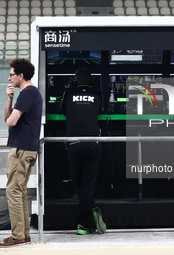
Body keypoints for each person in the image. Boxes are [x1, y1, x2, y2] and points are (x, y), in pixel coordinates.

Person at [0, 58, 43, 248]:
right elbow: (7, 117)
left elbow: (10, 122)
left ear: (20, 76)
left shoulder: (27, 93)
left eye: (11, 75)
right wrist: (9, 99)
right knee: (20, 192)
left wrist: (13, 102)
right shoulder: (30, 93)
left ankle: (18, 236)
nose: (9, 79)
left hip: (21, 150)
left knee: (13, 191)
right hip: (27, 148)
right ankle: (23, 234)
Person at [61, 67, 106, 235]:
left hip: (75, 144)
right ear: (91, 80)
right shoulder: (98, 95)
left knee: (78, 182)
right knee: (89, 183)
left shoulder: (68, 94)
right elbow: (100, 112)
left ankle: (83, 221)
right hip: (94, 143)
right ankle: (88, 213)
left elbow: (63, 112)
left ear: (76, 79)